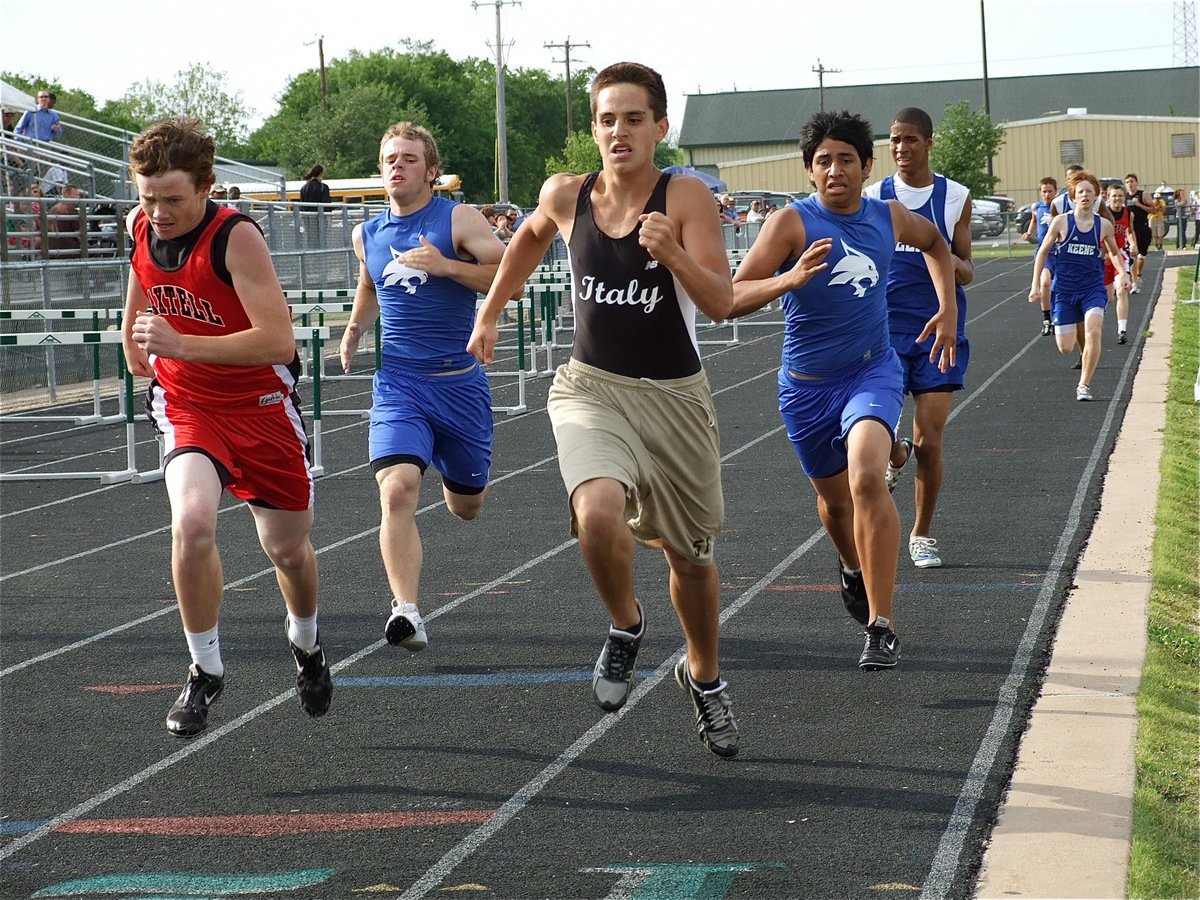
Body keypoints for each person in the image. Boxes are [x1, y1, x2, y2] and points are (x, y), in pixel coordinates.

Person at [468, 61, 740, 758]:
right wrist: (493, 312)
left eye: (634, 118)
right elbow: (528, 238)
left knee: (692, 561)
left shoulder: (687, 198)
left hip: (675, 400)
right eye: (607, 119)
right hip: (591, 388)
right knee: (595, 513)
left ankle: (703, 677)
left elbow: (720, 302)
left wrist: (673, 254)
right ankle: (625, 625)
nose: (619, 131)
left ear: (660, 128)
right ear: (594, 128)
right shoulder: (566, 194)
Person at [120, 116, 331, 737]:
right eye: (147, 196)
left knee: (288, 550)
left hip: (261, 406)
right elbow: (140, 269)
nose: (157, 211)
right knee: (190, 521)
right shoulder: (142, 224)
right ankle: (205, 668)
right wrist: (134, 331)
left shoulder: (237, 239)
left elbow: (276, 339)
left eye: (172, 200)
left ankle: (307, 643)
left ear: (207, 188)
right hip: (188, 403)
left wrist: (180, 341)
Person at [727, 109, 957, 671]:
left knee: (865, 477)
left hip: (872, 371)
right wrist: (789, 279)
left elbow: (938, 246)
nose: (835, 170)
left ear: (866, 166)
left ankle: (882, 626)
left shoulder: (888, 216)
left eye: (846, 160)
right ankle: (851, 565)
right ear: (809, 171)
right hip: (806, 388)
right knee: (834, 505)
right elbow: (732, 296)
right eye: (823, 161)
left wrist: (948, 309)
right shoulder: (789, 224)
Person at [338, 122, 506, 656]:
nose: (398, 166)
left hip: (458, 387)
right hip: (399, 385)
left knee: (467, 508)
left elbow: (508, 274)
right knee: (397, 490)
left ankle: (451, 472)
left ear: (431, 171)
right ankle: (407, 611)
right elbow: (370, 283)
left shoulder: (456, 218)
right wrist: (355, 329)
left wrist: (446, 266)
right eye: (390, 158)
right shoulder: (366, 234)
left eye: (409, 158)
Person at [863, 106, 973, 571]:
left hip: (939, 331)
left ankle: (922, 533)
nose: (901, 148)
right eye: (894, 140)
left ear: (929, 143)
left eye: (910, 140)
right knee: (876, 431)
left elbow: (967, 269)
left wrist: (937, 253)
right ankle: (895, 455)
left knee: (930, 439)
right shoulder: (874, 196)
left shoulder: (955, 197)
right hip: (883, 329)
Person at [1029, 170, 1130, 402]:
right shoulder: (1061, 221)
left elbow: (1114, 253)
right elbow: (1042, 252)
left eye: (1090, 192)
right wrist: (1036, 285)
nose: (1085, 195)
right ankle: (1078, 344)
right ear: (1073, 196)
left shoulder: (1103, 225)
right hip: (1064, 290)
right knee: (1065, 347)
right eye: (1080, 191)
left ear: (1096, 197)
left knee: (1094, 330)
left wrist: (1123, 273)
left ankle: (1083, 385)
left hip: (1091, 288)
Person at [1023, 177, 1058, 336]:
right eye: (1044, 191)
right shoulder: (1036, 207)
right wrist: (1029, 233)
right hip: (1044, 252)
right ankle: (1046, 320)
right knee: (1044, 282)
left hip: (1060, 252)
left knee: (1059, 287)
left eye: (1050, 191)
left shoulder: (1060, 207)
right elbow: (1034, 221)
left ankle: (1059, 316)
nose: (1047, 194)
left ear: (1055, 192)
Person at [1103, 183, 1136, 345]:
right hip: (1104, 257)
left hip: (1121, 255)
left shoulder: (1128, 213)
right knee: (1107, 298)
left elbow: (1129, 230)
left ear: (1124, 197)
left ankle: (1122, 330)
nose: (1117, 199)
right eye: (1114, 196)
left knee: (1121, 290)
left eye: (1120, 196)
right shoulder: (1103, 214)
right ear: (1108, 197)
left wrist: (1133, 243)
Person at [35, 184, 83, 257]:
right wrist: (87, 246)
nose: (78, 197)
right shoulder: (70, 209)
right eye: (76, 195)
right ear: (67, 195)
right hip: (68, 250)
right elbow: (80, 234)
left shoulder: (53, 209)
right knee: (96, 251)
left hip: (51, 251)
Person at [1123, 174, 1153, 292]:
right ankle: (1134, 280)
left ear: (1136, 182)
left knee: (1141, 256)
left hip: (1143, 228)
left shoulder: (1143, 194)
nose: (1130, 184)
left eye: (1132, 181)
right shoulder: (1123, 197)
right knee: (1132, 255)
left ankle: (1138, 274)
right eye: (1127, 182)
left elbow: (1153, 209)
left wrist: (1139, 205)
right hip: (1129, 230)